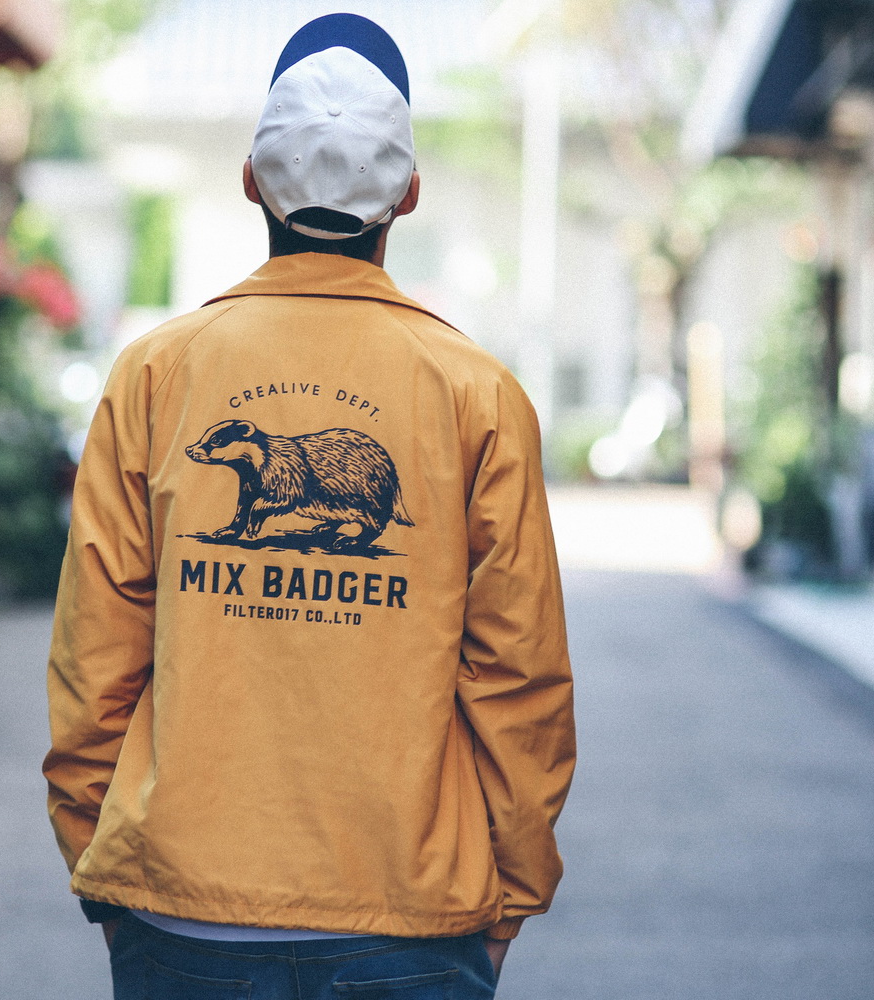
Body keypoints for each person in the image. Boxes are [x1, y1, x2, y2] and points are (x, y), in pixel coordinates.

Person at [43, 14, 576, 999]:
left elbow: (95, 656)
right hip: (411, 918)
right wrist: (510, 896)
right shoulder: (478, 395)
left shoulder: (155, 375)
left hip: (183, 913)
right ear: (408, 196)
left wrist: (104, 866)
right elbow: (520, 676)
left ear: (251, 181)